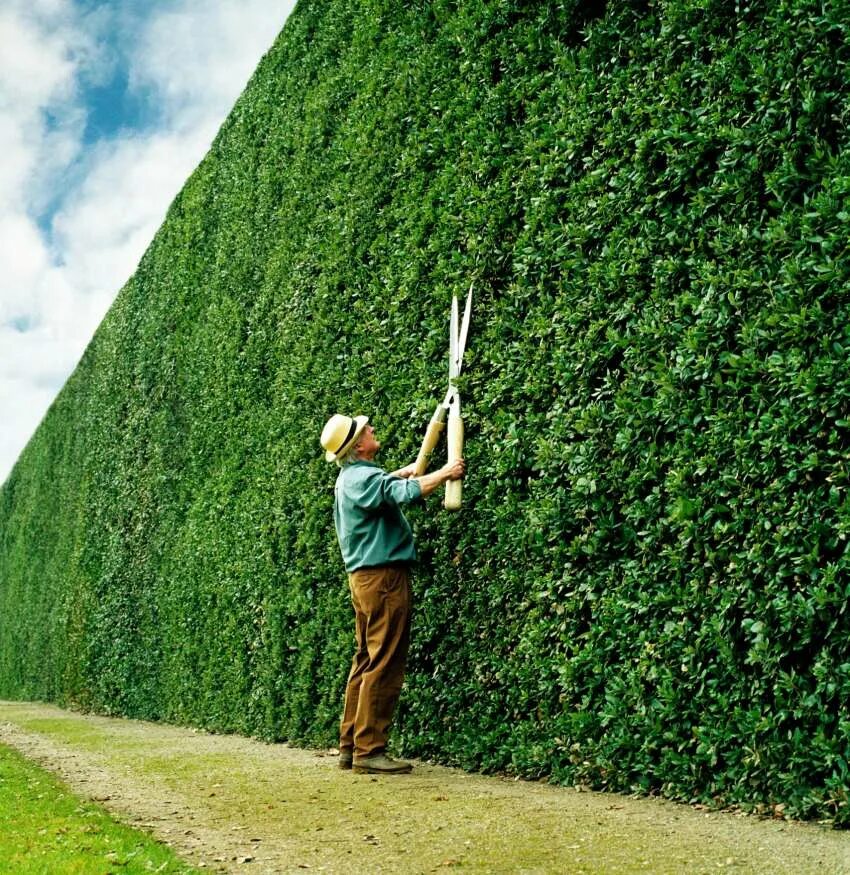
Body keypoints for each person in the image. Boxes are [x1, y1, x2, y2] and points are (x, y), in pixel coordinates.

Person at [320, 413, 465, 775]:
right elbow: (405, 493)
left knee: (366, 660)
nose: (371, 429)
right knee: (384, 660)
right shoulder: (365, 478)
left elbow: (387, 485)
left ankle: (350, 747)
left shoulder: (351, 477)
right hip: (384, 579)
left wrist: (402, 473)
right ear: (357, 446)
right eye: (364, 430)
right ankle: (370, 750)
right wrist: (447, 473)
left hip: (365, 580)